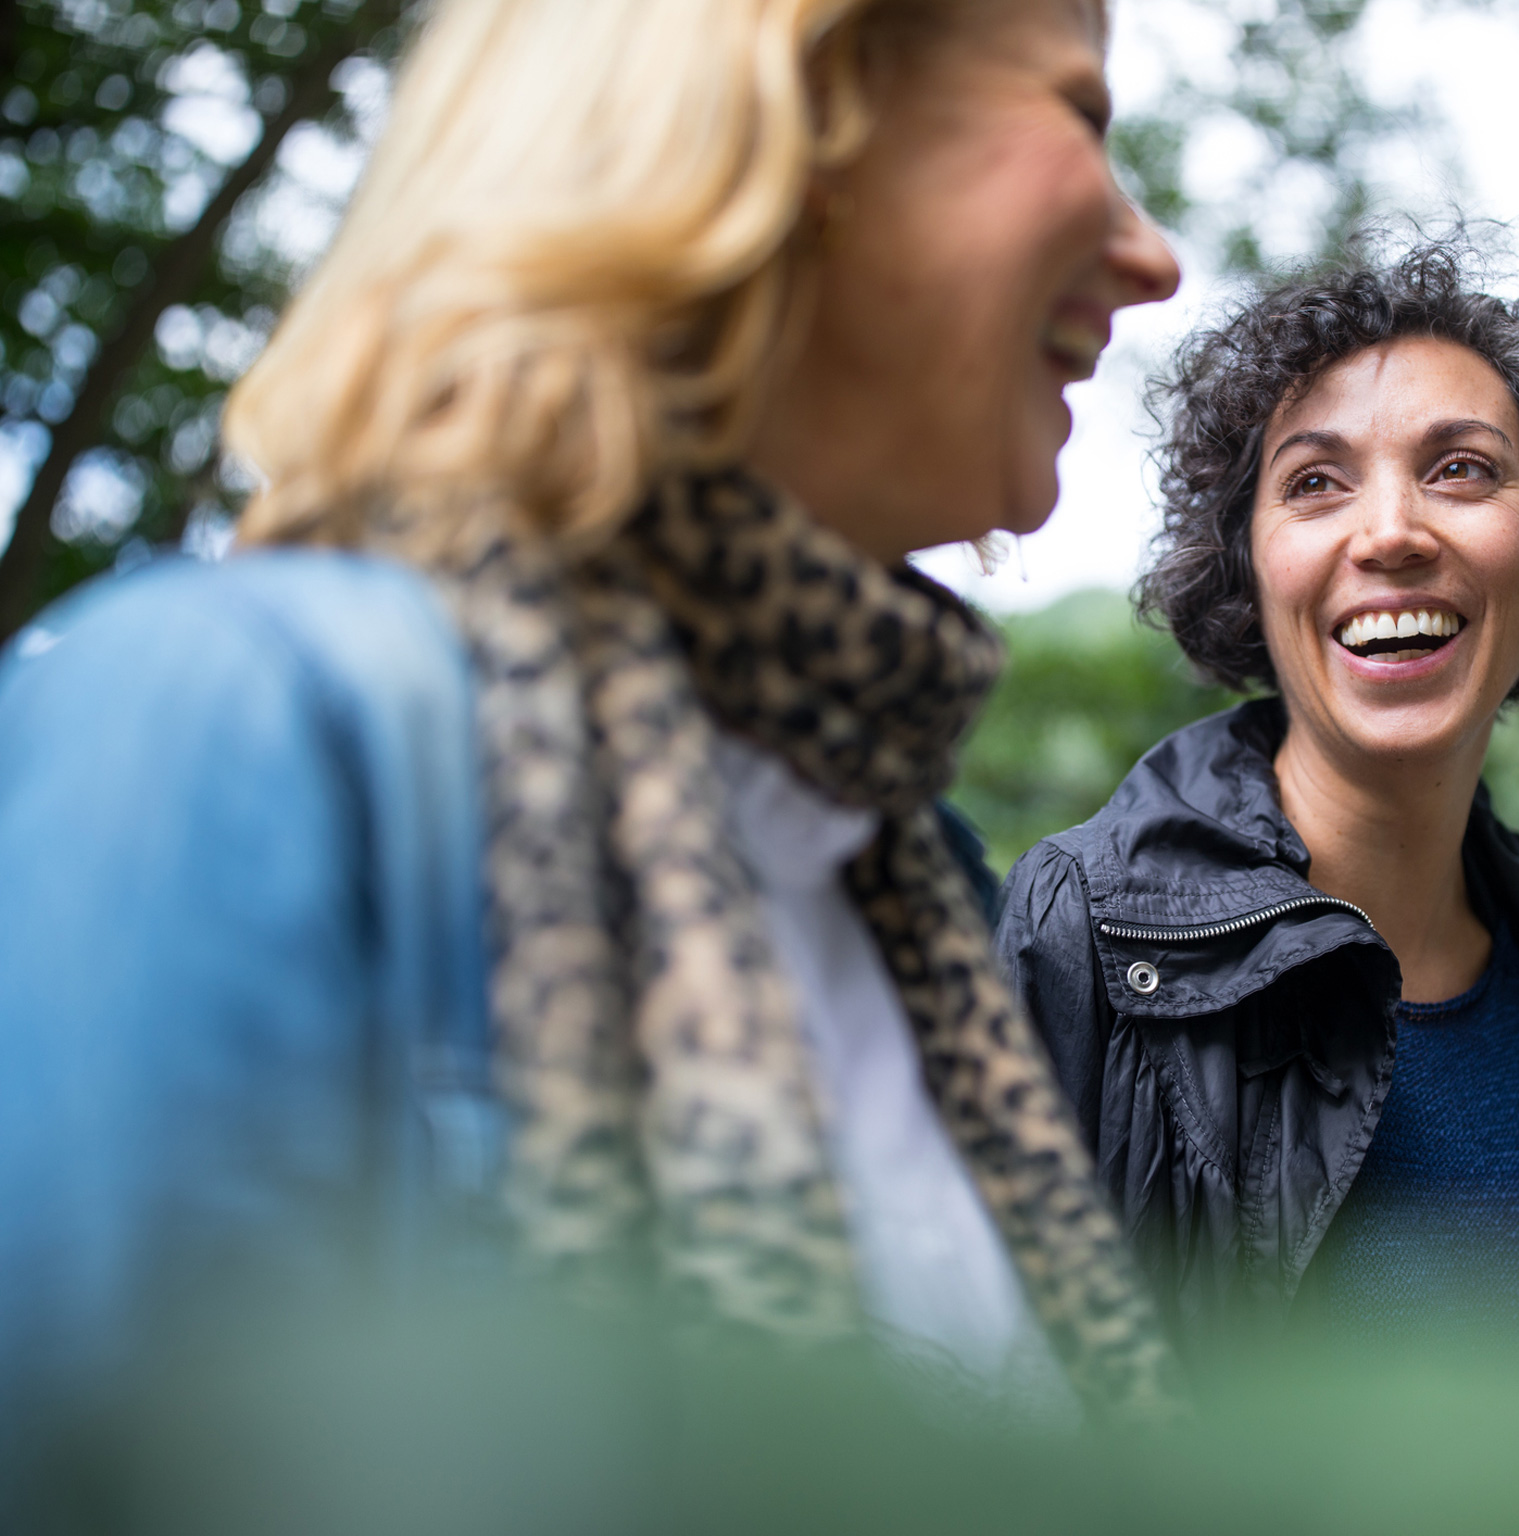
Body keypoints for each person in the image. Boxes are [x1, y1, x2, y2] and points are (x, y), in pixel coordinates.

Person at [0, 0, 1184, 1434]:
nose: (1153, 257)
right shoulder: (231, 725)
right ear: (795, 112)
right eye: (1079, 114)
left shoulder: (902, 874)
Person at [993, 242, 1519, 1404]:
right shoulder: (1086, 934)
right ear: (1247, 567)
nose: (1389, 532)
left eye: (1460, 470)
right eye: (1315, 482)